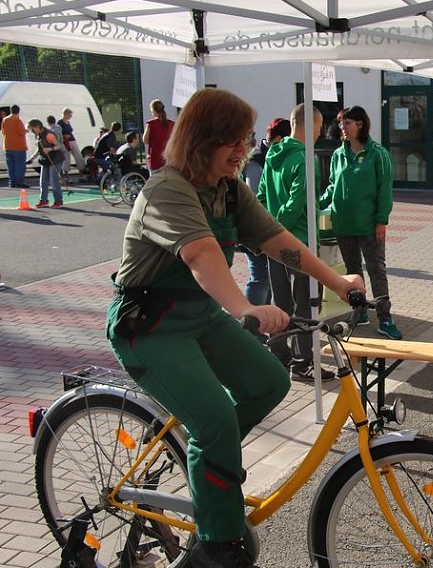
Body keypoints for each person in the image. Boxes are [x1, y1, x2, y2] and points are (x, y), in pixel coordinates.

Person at [104, 88, 365, 568]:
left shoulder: (226, 188)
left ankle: (208, 458)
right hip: (150, 329)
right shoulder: (167, 190)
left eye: (245, 139)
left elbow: (276, 239)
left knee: (269, 383)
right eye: (233, 140)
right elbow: (201, 253)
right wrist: (246, 307)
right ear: (202, 140)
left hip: (201, 317)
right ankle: (216, 546)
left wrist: (339, 282)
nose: (243, 150)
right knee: (217, 422)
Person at [257, 105, 334, 382]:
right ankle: (302, 363)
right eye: (319, 126)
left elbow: (261, 196)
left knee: (281, 303)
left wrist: (269, 232)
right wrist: (280, 229)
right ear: (309, 124)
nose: (320, 132)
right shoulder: (304, 158)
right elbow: (296, 201)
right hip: (299, 243)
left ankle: (280, 355)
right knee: (307, 303)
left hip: (272, 243)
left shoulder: (272, 155)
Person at [321, 105, 401, 340]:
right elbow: (333, 186)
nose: (342, 127)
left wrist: (381, 221)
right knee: (353, 272)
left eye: (347, 123)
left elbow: (385, 190)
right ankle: (360, 311)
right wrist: (316, 203)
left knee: (377, 271)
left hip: (369, 226)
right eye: (340, 123)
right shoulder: (338, 155)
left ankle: (385, 318)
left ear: (360, 124)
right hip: (343, 224)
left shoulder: (378, 154)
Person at [242, 117, 291, 306]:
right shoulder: (256, 160)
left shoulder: (272, 156)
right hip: (256, 228)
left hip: (269, 227)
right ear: (278, 139)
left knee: (268, 278)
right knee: (260, 278)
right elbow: (254, 197)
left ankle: (262, 318)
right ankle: (251, 319)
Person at [25, 119, 65, 208]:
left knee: (53, 180)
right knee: (43, 181)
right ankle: (43, 200)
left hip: (55, 159)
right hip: (45, 159)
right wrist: (32, 158)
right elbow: (40, 149)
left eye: (32, 129)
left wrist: (50, 149)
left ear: (37, 127)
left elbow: (58, 146)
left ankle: (59, 201)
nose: (32, 132)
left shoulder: (49, 135)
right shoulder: (39, 135)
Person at [142, 99, 174, 172]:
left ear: (154, 110)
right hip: (168, 159)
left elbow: (145, 140)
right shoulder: (171, 124)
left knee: (155, 178)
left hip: (155, 159)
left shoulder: (151, 124)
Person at [2, 105, 28, 189]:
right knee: (19, 166)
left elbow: (3, 132)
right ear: (18, 111)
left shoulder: (5, 120)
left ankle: (12, 182)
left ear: (10, 110)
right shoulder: (17, 120)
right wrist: (26, 130)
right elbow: (21, 132)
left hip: (8, 146)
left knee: (11, 166)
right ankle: (19, 182)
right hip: (18, 147)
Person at [58, 108, 87, 181]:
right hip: (65, 142)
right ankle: (66, 175)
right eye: (70, 114)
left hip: (72, 140)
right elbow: (58, 133)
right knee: (66, 158)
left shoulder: (68, 122)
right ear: (65, 114)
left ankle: (81, 174)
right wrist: (64, 136)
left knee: (78, 156)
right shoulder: (60, 122)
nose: (71, 116)